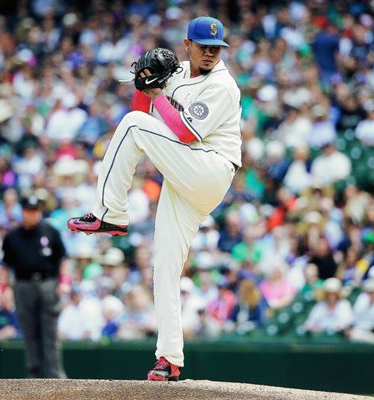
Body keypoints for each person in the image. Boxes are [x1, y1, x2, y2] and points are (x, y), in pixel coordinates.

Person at [68, 15, 240, 381]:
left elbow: (183, 131)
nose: (210, 52)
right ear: (187, 45)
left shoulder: (222, 85)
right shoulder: (178, 74)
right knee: (163, 267)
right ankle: (170, 359)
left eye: (216, 47)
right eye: (204, 46)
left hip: (210, 169)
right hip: (185, 179)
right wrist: (143, 84)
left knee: (131, 126)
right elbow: (142, 108)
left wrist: (157, 95)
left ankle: (110, 213)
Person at [1, 194, 68, 378]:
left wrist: (64, 282)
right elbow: (6, 267)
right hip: (23, 285)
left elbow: (63, 259)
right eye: (29, 211)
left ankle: (56, 378)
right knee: (29, 333)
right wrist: (4, 290)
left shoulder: (50, 231)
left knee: (50, 334)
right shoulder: (12, 237)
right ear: (22, 212)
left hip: (48, 283)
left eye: (36, 211)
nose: (32, 215)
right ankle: (34, 378)